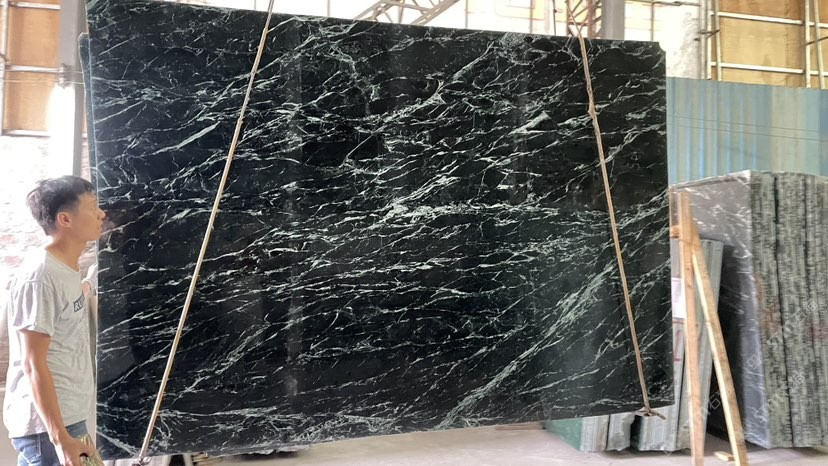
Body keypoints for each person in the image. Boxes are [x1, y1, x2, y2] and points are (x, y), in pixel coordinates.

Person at [4, 176, 106, 466]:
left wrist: (90, 284)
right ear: (65, 219)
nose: (101, 214)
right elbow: (32, 363)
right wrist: (60, 438)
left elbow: (67, 306)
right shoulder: (41, 276)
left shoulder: (64, 267)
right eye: (93, 207)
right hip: (49, 428)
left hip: (67, 419)